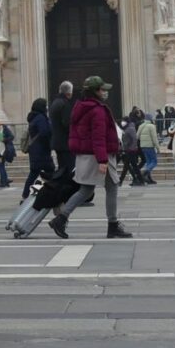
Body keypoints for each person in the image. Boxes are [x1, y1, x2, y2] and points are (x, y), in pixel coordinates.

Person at [50, 76, 132, 239]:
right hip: (100, 155)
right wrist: (102, 160)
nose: (105, 92)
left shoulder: (79, 107)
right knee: (111, 187)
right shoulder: (97, 110)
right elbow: (98, 136)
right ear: (95, 91)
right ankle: (112, 225)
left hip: (86, 155)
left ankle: (61, 219)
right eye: (102, 89)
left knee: (86, 190)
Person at [23, 98, 54, 199]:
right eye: (45, 105)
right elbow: (44, 132)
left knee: (34, 173)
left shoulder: (34, 117)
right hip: (42, 151)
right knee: (51, 173)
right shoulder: (41, 117)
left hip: (35, 150)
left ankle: (26, 195)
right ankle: (51, 193)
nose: (47, 108)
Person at [48, 81, 75, 178]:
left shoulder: (55, 103)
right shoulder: (65, 104)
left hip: (57, 142)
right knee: (70, 170)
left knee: (62, 169)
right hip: (66, 143)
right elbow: (67, 123)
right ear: (69, 92)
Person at [136, 111, 159, 185]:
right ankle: (144, 173)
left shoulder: (141, 125)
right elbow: (154, 138)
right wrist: (158, 148)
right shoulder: (152, 126)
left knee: (148, 162)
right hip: (150, 146)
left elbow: (137, 136)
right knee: (154, 162)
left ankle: (148, 178)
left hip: (143, 146)